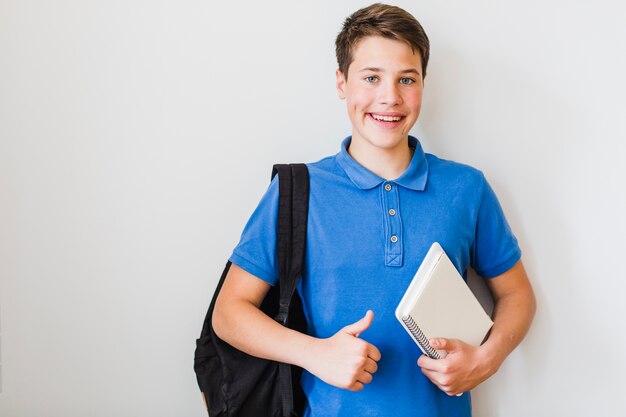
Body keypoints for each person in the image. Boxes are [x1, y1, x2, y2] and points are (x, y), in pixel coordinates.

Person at [212, 3, 536, 416]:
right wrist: (315, 354)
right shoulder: (298, 191)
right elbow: (229, 313)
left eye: (407, 79)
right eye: (371, 77)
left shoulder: (466, 188)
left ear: (424, 84)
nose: (390, 98)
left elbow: (516, 293)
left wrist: (485, 361)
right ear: (341, 82)